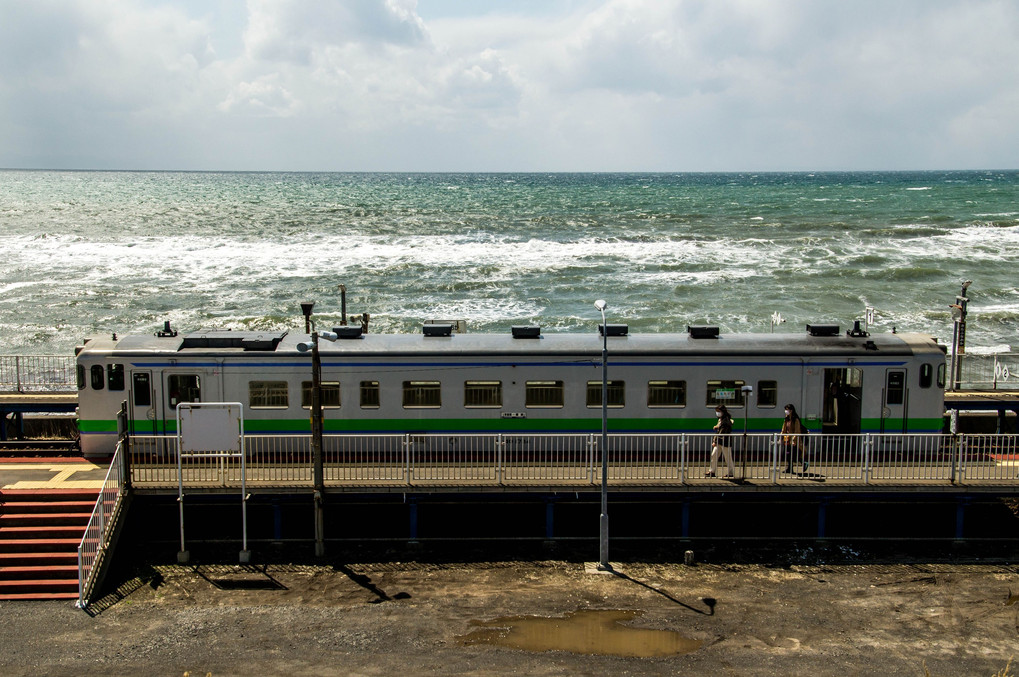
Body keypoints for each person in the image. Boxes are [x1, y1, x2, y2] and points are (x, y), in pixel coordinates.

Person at [707, 404, 735, 478]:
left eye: (718, 411)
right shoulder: (722, 419)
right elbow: (720, 427)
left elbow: (721, 433)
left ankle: (731, 473)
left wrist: (714, 442)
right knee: (714, 455)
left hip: (725, 442)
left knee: (727, 457)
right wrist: (717, 426)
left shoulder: (725, 420)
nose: (717, 413)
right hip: (720, 442)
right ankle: (712, 471)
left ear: (722, 411)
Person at [781, 403, 808, 473]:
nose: (786, 411)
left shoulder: (795, 420)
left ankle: (804, 463)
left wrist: (794, 440)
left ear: (791, 410)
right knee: (787, 454)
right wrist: (780, 438)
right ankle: (790, 468)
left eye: (787, 409)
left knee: (794, 454)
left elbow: (797, 431)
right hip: (787, 440)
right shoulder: (786, 419)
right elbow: (783, 430)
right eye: (785, 409)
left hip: (794, 441)